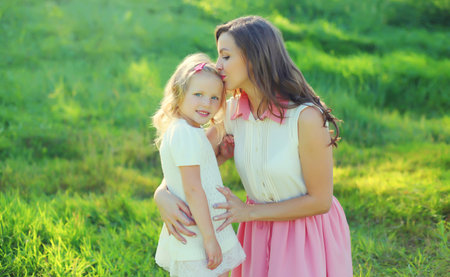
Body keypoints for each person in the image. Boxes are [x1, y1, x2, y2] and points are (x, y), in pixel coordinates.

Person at [154, 16, 353, 276]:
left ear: (254, 57)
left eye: (225, 56)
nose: (218, 66)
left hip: (304, 233)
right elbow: (189, 159)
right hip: (256, 230)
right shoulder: (233, 110)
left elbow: (320, 201)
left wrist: (248, 211)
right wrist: (162, 195)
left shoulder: (306, 117)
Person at [152, 53, 246, 277]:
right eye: (198, 95)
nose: (207, 103)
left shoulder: (188, 129)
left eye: (215, 98)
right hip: (199, 234)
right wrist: (210, 239)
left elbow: (197, 173)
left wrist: (221, 157)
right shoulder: (185, 133)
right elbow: (193, 189)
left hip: (203, 227)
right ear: (179, 94)